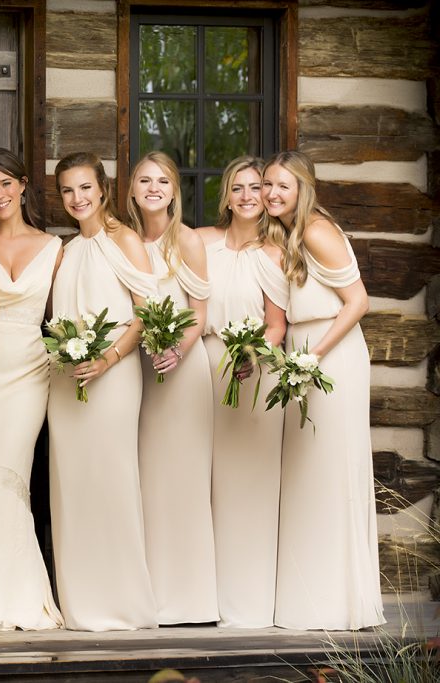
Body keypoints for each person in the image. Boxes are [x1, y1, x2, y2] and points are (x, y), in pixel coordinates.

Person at [264, 150, 384, 630]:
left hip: (332, 356)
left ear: (303, 189)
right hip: (304, 354)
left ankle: (340, 601)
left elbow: (358, 302)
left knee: (331, 468)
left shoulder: (315, 230)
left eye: (282, 187)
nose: (272, 193)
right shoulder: (287, 234)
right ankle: (311, 597)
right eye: (268, 184)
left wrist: (314, 356)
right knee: (307, 471)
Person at [47, 152, 158, 632]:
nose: (77, 198)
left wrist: (107, 359)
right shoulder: (67, 249)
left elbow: (145, 313)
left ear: (103, 188)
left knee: (111, 481)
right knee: (72, 485)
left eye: (85, 188)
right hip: (66, 378)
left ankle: (122, 602)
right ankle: (81, 602)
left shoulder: (124, 239)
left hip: (113, 375)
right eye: (68, 190)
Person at [0, 147, 63, 631]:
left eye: (6, 183)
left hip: (28, 372)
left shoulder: (53, 247)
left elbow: (64, 313)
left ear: (24, 184)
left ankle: (11, 592)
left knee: (10, 475)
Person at [196, 156, 288, 628]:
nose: (249, 196)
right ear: (226, 196)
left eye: (256, 188)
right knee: (208, 487)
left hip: (253, 372)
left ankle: (248, 603)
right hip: (205, 369)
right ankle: (205, 598)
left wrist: (251, 354)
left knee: (249, 486)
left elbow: (277, 325)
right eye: (239, 188)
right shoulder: (203, 244)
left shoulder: (274, 254)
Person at [126, 152, 217, 625]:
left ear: (175, 190)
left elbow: (200, 315)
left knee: (182, 480)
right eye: (145, 180)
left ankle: (190, 599)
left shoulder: (188, 241)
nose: (154, 187)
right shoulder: (125, 240)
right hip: (137, 369)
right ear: (133, 190)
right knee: (145, 479)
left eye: (163, 180)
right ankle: (150, 594)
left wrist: (176, 352)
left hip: (181, 367)